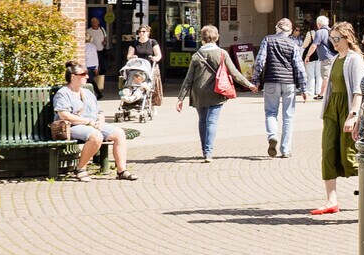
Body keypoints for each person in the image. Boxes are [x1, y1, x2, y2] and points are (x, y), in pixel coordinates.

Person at [178, 26, 253, 161]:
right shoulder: (222, 54)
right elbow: (234, 73)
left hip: (198, 92)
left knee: (202, 121)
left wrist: (180, 98)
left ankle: (204, 150)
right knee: (211, 122)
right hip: (216, 92)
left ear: (202, 38)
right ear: (216, 37)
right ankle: (208, 152)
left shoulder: (196, 56)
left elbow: (188, 79)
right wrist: (249, 84)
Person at [51, 63, 137, 181]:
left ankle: (121, 171)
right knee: (96, 136)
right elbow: (64, 115)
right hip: (72, 126)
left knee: (119, 133)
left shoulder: (87, 93)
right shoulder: (63, 93)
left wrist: (101, 121)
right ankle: (80, 169)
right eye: (83, 74)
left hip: (92, 124)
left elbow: (99, 112)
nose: (87, 76)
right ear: (73, 76)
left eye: (87, 74)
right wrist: (87, 121)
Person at [314, 21, 364, 215]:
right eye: (332, 39)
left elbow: (359, 90)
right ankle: (331, 201)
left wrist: (353, 115)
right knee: (328, 152)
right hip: (332, 110)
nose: (334, 42)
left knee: (349, 155)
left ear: (347, 38)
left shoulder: (355, 59)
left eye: (337, 38)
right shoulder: (335, 58)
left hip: (347, 108)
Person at [254, 17, 306, 158]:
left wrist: (256, 80)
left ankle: (272, 135)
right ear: (290, 30)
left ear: (277, 28)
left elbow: (260, 61)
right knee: (288, 116)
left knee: (271, 112)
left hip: (271, 80)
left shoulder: (268, 39)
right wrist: (304, 87)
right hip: (289, 82)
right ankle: (285, 150)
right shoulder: (293, 44)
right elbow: (299, 67)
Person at [303, 14, 336, 103]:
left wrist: (307, 56)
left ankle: (322, 94)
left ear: (318, 24)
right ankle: (327, 93)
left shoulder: (320, 32)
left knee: (325, 76)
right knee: (329, 75)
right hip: (334, 56)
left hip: (326, 57)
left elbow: (314, 45)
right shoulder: (332, 31)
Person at [131, 24, 164, 108]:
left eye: (143, 31)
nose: (141, 33)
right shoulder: (135, 43)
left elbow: (159, 55)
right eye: (139, 32)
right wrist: (132, 57)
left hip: (149, 67)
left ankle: (150, 102)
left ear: (148, 33)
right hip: (138, 67)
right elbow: (129, 55)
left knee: (149, 83)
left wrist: (155, 58)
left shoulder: (152, 42)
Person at [82, 17, 109, 94]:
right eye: (92, 22)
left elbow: (105, 38)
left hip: (101, 51)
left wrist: (105, 42)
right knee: (93, 71)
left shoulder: (102, 29)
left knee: (102, 68)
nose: (94, 24)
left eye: (95, 22)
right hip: (93, 52)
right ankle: (96, 86)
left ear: (98, 23)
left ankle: (99, 84)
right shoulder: (88, 31)